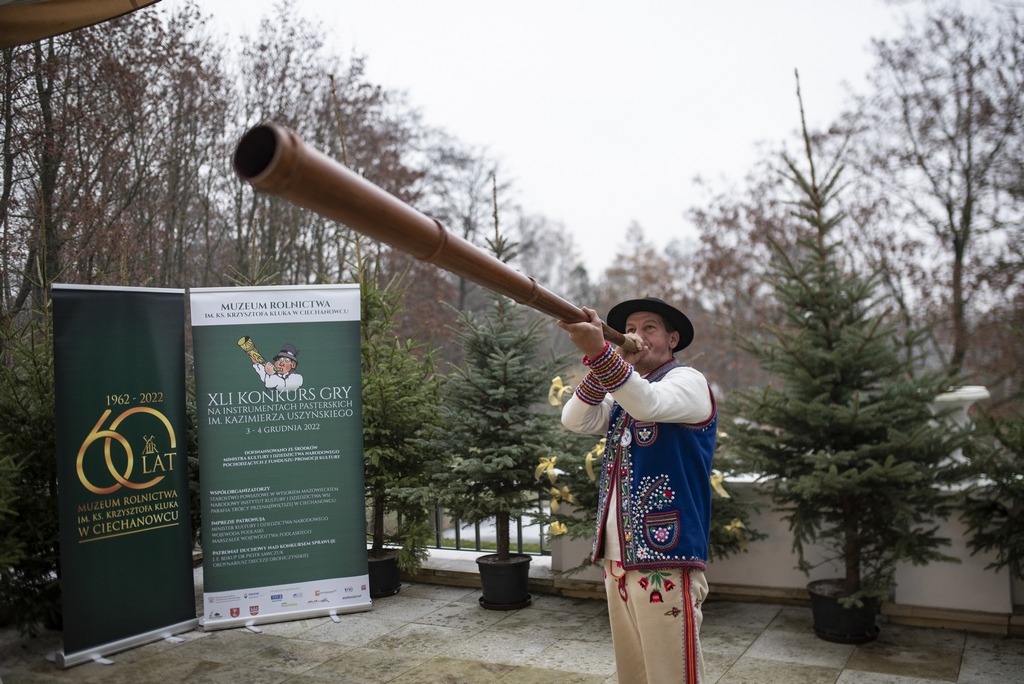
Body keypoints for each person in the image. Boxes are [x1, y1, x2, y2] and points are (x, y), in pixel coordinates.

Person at [559, 297, 716, 684]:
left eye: (649, 328)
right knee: (634, 672)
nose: (637, 335)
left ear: (672, 339)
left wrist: (601, 355)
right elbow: (574, 419)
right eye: (630, 329)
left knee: (672, 673)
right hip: (618, 558)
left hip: (666, 555)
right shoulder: (624, 392)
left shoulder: (688, 382)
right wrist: (604, 362)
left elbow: (648, 404)